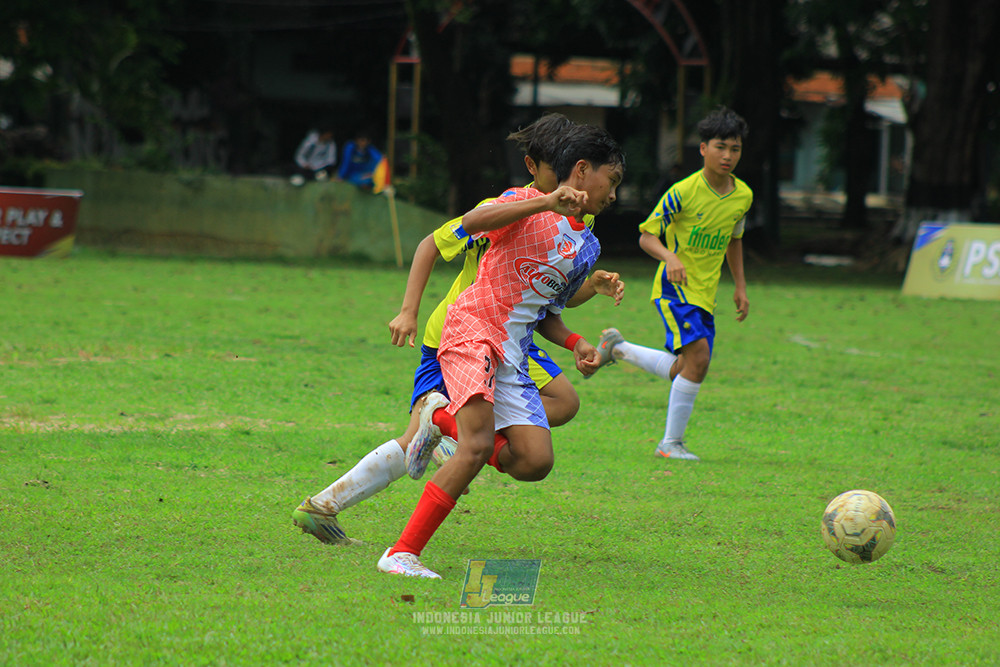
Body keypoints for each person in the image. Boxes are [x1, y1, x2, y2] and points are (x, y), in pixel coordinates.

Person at [290, 115, 624, 546]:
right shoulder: (508, 208)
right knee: (431, 436)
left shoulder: (579, 225)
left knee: (560, 402)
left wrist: (585, 308)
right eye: (551, 169)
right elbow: (433, 242)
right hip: (462, 331)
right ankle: (329, 505)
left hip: (509, 337)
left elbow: (545, 295)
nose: (560, 181)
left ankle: (444, 439)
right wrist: (408, 310)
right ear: (535, 167)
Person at [377, 125, 626, 578]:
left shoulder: (588, 246)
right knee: (472, 449)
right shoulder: (522, 202)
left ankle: (438, 420)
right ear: (583, 171)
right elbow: (470, 224)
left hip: (513, 351)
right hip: (473, 331)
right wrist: (547, 202)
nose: (614, 195)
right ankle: (401, 553)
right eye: (612, 182)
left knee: (535, 461)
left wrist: (578, 340)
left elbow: (548, 310)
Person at [592, 106, 752, 462]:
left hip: (705, 295)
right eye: (720, 147)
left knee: (690, 367)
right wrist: (671, 257)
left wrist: (739, 286)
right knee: (699, 358)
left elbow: (735, 240)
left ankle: (618, 349)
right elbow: (647, 236)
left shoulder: (743, 196)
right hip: (674, 290)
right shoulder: (683, 192)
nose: (728, 156)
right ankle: (670, 444)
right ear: (703, 149)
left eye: (735, 149)